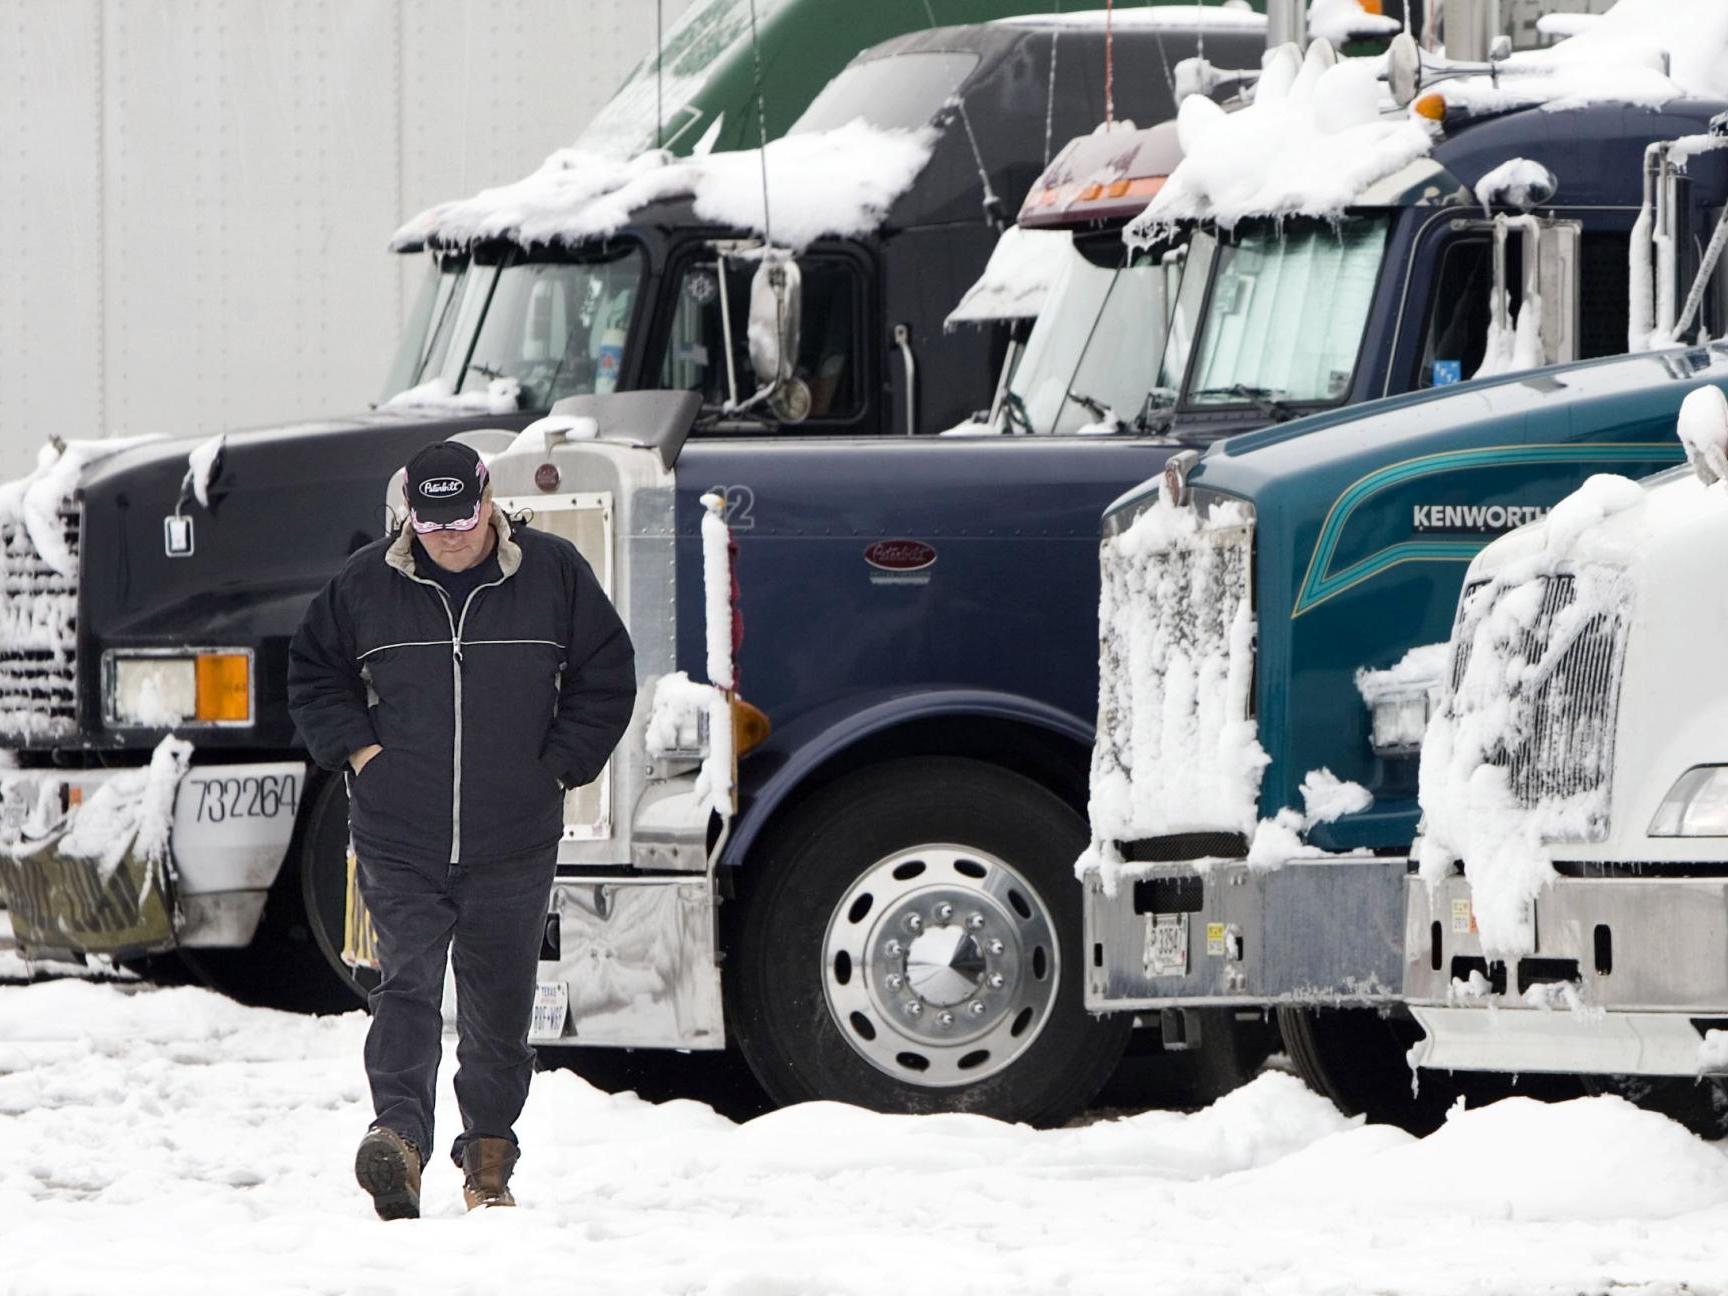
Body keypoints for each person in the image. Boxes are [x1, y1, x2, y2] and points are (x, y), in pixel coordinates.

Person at [287, 439, 635, 1219]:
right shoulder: (365, 583)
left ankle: (488, 1161)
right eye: (431, 521)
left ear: (490, 503)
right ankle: (400, 1144)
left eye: (463, 518)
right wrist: (361, 752)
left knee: (499, 1011)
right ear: (410, 514)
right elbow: (314, 673)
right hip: (396, 833)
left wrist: (557, 768)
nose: (448, 536)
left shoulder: (552, 573)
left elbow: (606, 674)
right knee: (404, 989)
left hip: (514, 835)